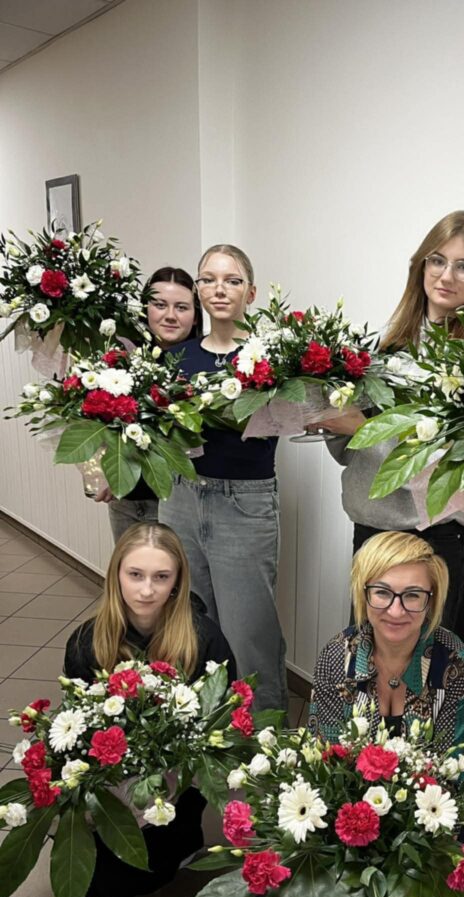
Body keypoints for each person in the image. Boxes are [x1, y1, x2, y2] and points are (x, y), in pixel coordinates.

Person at [309, 530, 464, 897]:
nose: (396, 609)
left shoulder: (453, 663)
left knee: (426, 868)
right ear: (363, 594)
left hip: (428, 810)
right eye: (382, 592)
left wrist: (411, 836)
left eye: (413, 595)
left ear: (432, 601)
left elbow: (461, 772)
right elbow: (326, 759)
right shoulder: (338, 657)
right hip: (354, 807)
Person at [318, 211, 464, 644]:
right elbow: (350, 454)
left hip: (439, 540)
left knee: (433, 672)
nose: (446, 276)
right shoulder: (382, 345)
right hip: (373, 532)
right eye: (437, 260)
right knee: (368, 666)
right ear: (421, 264)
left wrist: (369, 427)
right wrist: (330, 417)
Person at [64, 522, 237, 897]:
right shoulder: (88, 641)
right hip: (112, 773)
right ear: (116, 575)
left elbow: (224, 720)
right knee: (104, 871)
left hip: (178, 776)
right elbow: (76, 723)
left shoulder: (203, 638)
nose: (146, 590)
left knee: (137, 876)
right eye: (135, 575)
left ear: (177, 581)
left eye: (161, 577)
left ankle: (185, 837)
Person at [158, 244, 287, 712]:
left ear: (250, 292)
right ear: (198, 289)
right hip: (181, 497)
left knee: (249, 633)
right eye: (209, 279)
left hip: (244, 502)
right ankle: (201, 728)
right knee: (188, 622)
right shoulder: (177, 358)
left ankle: (265, 734)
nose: (219, 289)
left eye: (232, 280)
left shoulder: (269, 357)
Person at [96, 266, 204, 541]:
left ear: (195, 316)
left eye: (181, 307)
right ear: (145, 309)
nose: (170, 315)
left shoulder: (205, 364)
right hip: (125, 500)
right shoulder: (120, 358)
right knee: (129, 568)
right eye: (160, 305)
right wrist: (103, 470)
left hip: (181, 502)